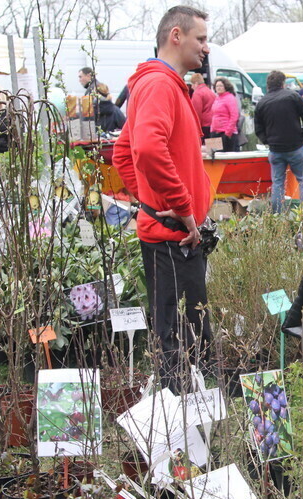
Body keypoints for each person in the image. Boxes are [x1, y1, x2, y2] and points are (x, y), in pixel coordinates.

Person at [113, 5, 214, 393]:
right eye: (200, 38)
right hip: (174, 239)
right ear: (176, 36)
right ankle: (181, 436)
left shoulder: (163, 84)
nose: (205, 47)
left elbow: (124, 153)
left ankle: (189, 427)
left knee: (181, 331)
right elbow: (147, 151)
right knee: (180, 340)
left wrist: (152, 202)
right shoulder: (157, 85)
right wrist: (179, 210)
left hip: (172, 234)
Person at [254, 70, 303, 213]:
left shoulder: (262, 102)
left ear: (268, 85)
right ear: (283, 83)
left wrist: (267, 141)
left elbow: (258, 128)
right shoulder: (293, 96)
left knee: (278, 184)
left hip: (275, 149)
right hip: (296, 146)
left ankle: (277, 217)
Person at [209, 77, 239, 152]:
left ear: (226, 87)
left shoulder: (230, 98)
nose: (218, 88)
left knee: (226, 158)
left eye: (221, 86)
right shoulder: (217, 98)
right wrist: (212, 130)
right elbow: (214, 115)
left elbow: (234, 116)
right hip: (215, 132)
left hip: (226, 133)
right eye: (217, 86)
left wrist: (228, 133)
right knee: (214, 157)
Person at [190, 72, 215, 139]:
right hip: (213, 123)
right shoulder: (209, 91)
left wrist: (196, 128)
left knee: (203, 148)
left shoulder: (197, 93)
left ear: (196, 83)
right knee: (213, 147)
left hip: (204, 125)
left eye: (192, 84)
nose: (191, 87)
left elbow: (196, 112)